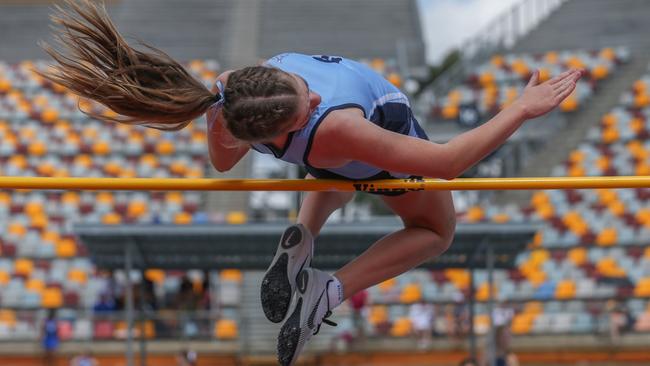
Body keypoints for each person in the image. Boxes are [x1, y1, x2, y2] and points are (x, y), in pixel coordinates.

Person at [40, 1, 584, 364]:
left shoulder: (227, 100)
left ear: (272, 80)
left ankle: (304, 232)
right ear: (293, 116)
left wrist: (252, 125)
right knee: (437, 231)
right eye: (306, 104)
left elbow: (223, 165)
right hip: (358, 145)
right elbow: (445, 163)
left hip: (320, 158)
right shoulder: (336, 121)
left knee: (330, 167)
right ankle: (332, 286)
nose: (315, 94)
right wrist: (518, 109)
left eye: (301, 87)